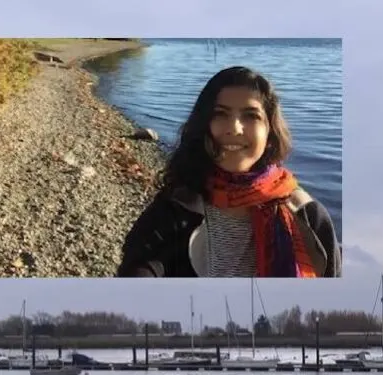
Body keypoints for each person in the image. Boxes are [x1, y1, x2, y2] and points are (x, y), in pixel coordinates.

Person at [116, 66, 341, 278]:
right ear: (204, 126)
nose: (234, 128)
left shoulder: (307, 215)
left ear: (270, 133)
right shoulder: (175, 209)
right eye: (220, 114)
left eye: (251, 116)